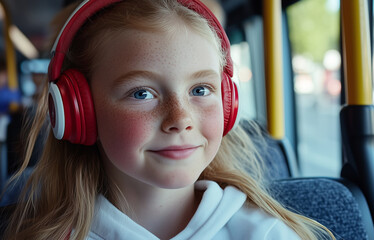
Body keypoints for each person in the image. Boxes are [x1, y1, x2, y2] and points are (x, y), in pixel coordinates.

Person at [2, 0, 334, 239]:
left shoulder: (265, 232)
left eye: (201, 90)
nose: (180, 119)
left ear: (229, 104)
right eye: (142, 93)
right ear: (79, 112)